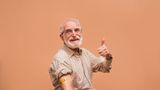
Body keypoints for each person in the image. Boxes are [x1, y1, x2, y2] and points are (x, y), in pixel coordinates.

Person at [49, 18, 113, 90]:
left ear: (81, 32)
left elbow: (104, 68)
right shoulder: (61, 58)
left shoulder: (85, 53)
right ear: (62, 37)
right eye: (68, 31)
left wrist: (107, 57)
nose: (74, 34)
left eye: (77, 30)